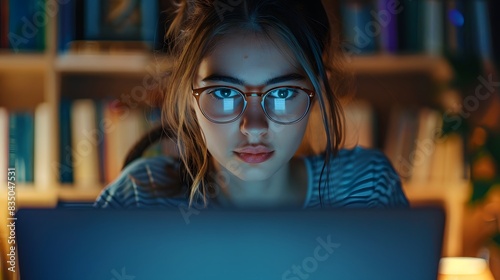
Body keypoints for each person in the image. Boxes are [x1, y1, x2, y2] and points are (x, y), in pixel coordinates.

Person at [94, 0, 409, 209]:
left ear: (317, 91)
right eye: (225, 93)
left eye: (283, 93)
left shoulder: (367, 191)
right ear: (189, 95)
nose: (254, 126)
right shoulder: (138, 197)